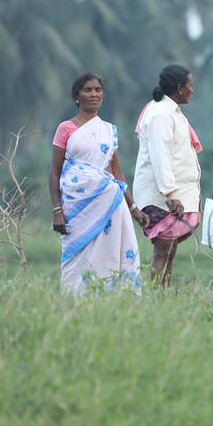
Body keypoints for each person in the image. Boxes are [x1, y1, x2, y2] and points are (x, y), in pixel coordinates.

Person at [49, 72, 148, 295]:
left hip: (111, 204)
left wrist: (134, 208)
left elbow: (117, 173)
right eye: (88, 90)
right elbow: (54, 173)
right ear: (77, 96)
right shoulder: (66, 128)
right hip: (77, 206)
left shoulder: (108, 130)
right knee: (75, 257)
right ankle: (73, 299)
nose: (94, 94)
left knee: (110, 254)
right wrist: (57, 210)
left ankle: (110, 300)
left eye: (98, 90)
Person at [133, 65, 202, 287]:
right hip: (161, 195)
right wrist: (171, 194)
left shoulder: (171, 112)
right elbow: (160, 156)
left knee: (169, 251)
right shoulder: (160, 114)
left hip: (177, 192)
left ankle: (164, 297)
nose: (192, 90)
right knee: (162, 252)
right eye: (189, 85)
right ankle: (154, 298)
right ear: (180, 88)